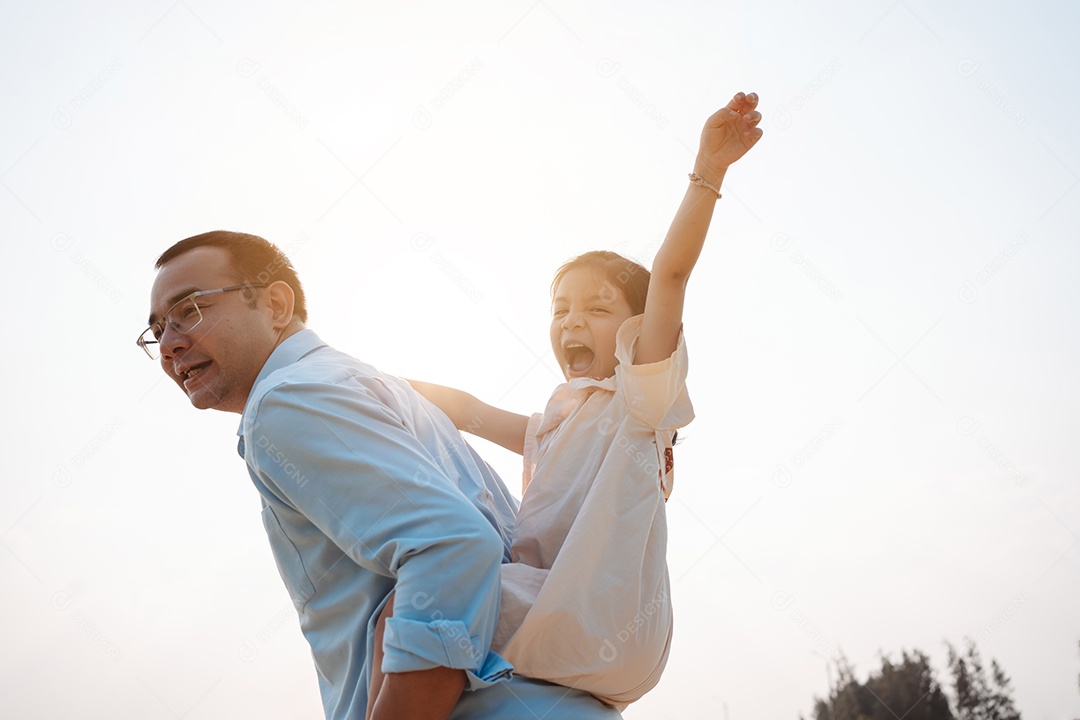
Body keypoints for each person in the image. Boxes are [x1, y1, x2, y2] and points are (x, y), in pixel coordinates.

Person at [138, 231, 623, 720]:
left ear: (276, 304)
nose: (170, 345)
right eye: (158, 330)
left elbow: (451, 547)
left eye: (190, 310)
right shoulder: (361, 384)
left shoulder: (286, 399)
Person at [385, 91, 763, 711]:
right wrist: (372, 388)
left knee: (414, 606)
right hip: (551, 607)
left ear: (639, 327)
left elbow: (670, 275)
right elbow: (471, 410)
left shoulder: (639, 399)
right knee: (410, 610)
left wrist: (709, 172)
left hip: (599, 617)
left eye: (596, 308)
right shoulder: (555, 424)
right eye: (560, 310)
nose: (572, 322)